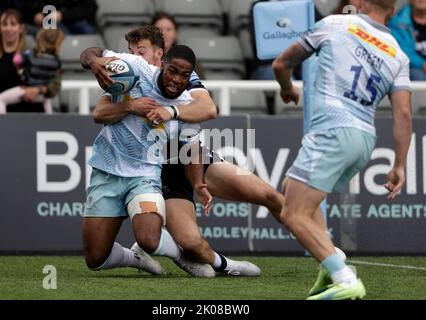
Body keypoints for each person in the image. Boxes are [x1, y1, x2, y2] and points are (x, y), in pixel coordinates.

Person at [81, 26, 261, 277]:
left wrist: (198, 184)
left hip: (144, 174)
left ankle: (182, 255)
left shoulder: (186, 106)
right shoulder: (134, 69)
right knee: (95, 258)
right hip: (106, 170)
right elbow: (99, 113)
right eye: (173, 71)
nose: (177, 79)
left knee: (149, 238)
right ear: (162, 63)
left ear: (191, 78)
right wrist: (96, 64)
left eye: (184, 75)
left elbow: (192, 147)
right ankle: (138, 259)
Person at [272, 0, 412, 300]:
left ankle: (344, 277)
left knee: (292, 213)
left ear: (359, 2)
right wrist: (399, 165)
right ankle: (329, 257)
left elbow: (281, 63)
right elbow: (403, 115)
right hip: (363, 139)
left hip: (332, 130)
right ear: (392, 10)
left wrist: (286, 87)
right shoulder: (398, 55)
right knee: (294, 192)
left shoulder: (336, 24)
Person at [0, 9, 53, 113]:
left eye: (13, 24)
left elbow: (50, 84)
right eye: (5, 24)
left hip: (27, 119)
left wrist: (38, 90)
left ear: (21, 28)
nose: (8, 28)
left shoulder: (32, 57)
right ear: (0, 29)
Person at [0, 28, 64, 114]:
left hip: (24, 91)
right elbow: (55, 77)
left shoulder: (31, 53)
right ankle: (50, 125)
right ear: (58, 43)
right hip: (41, 96)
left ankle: (1, 125)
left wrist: (19, 68)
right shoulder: (57, 61)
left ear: (39, 38)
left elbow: (16, 60)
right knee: (47, 101)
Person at [389, 0, 426, 80]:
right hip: (415, 70)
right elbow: (402, 52)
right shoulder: (397, 22)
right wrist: (423, 64)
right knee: (416, 74)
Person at [26, 0, 98, 34]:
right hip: (53, 22)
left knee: (87, 30)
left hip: (77, 20)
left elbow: (91, 8)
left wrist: (63, 15)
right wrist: (35, 14)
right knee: (58, 34)